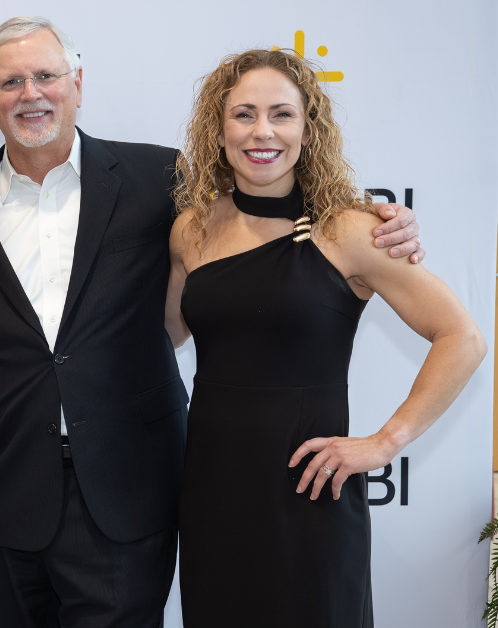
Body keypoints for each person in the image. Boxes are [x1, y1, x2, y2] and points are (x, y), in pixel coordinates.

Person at [0, 17, 426, 628]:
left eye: (46, 76)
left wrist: (381, 219)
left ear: (77, 83)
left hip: (128, 488)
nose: (31, 93)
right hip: (8, 492)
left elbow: (263, 201)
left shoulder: (157, 179)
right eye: (11, 82)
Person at [166, 49, 484, 627]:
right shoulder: (191, 228)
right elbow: (166, 332)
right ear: (218, 129)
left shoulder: (350, 231)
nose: (262, 131)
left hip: (311, 489)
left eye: (282, 114)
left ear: (308, 129)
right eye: (243, 114)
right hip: (213, 488)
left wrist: (385, 442)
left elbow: (463, 337)